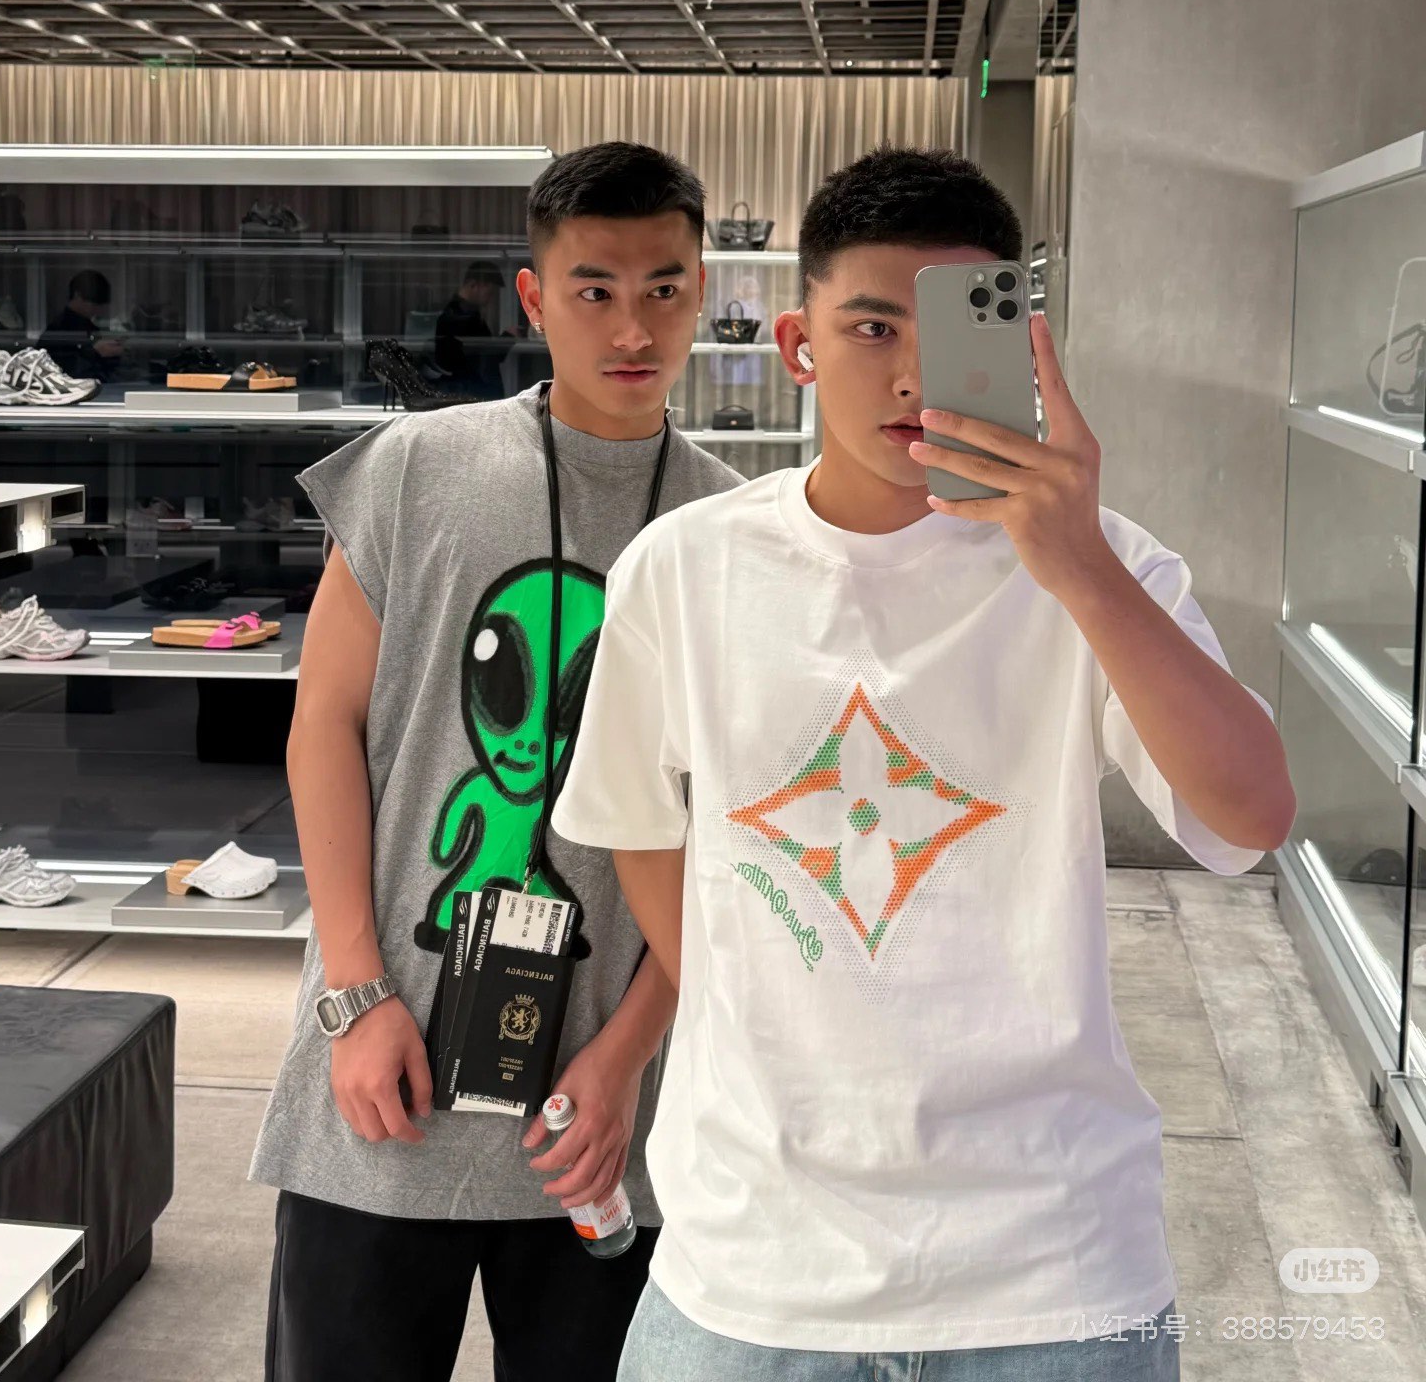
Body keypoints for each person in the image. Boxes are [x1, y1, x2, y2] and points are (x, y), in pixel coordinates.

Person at [554, 145, 1296, 1380]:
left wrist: (1080, 567)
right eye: (870, 327)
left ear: (1020, 346)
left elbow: (1253, 813)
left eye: (951, 332)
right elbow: (637, 818)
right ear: (798, 344)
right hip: (755, 1255)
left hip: (1050, 1264)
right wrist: (753, 999)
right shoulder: (685, 569)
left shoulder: (1107, 566)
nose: (909, 373)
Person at [250, 142, 743, 1382]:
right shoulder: (415, 468)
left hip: (597, 1116)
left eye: (664, 289)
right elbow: (323, 727)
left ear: (702, 289)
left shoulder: (735, 532)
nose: (632, 327)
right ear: (534, 297)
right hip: (384, 1076)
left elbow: (731, 839)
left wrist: (629, 1056)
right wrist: (355, 996)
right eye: (594, 289)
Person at [434, 258, 510, 400]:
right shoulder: (460, 318)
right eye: (489, 293)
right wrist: (509, 337)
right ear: (473, 285)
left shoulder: (462, 314)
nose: (490, 299)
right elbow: (482, 357)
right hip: (472, 394)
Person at [41, 269, 124, 380]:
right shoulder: (60, 329)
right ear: (77, 296)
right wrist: (95, 353)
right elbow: (64, 369)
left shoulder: (87, 326)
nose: (97, 310)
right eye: (93, 304)